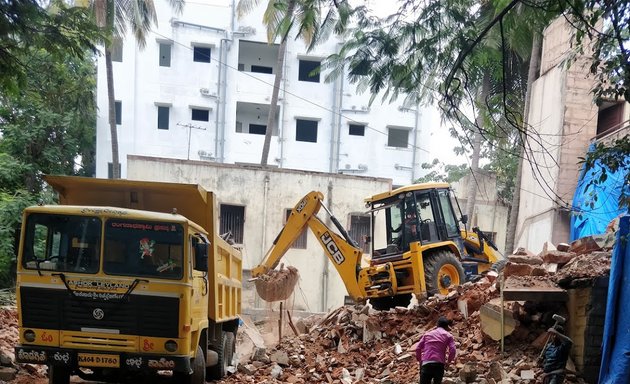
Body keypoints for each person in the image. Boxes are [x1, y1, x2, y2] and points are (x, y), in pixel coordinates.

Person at [415, 316, 457, 384]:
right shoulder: (449, 336)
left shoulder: (427, 334)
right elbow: (453, 350)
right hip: (439, 365)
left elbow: (418, 348)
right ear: (447, 327)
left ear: (437, 325)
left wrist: (420, 360)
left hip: (426, 364)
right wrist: (448, 361)